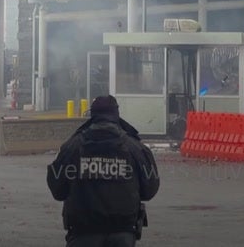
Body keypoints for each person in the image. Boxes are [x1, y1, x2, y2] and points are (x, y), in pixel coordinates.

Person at [47, 95, 160, 247]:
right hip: (123, 234)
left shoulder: (72, 146)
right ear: (116, 115)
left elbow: (58, 190)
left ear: (92, 115)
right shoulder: (135, 148)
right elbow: (149, 190)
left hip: (82, 234)